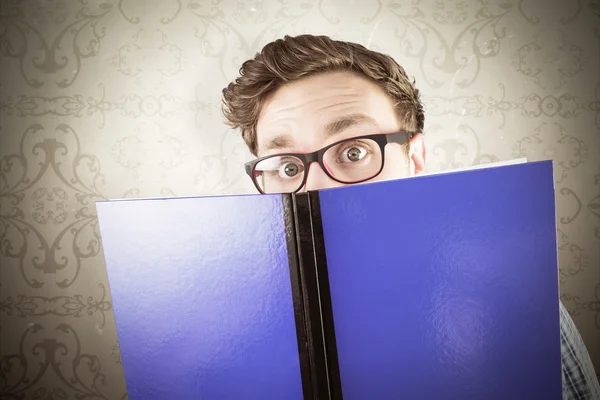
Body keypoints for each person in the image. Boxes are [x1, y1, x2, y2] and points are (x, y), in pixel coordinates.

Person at [221, 34, 600, 399]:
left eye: (354, 152)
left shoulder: (516, 307)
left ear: (414, 158)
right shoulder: (226, 327)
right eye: (288, 168)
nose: (318, 189)